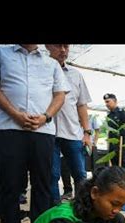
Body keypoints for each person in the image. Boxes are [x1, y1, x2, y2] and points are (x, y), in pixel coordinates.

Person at [0, 44, 69, 223]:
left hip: (42, 130)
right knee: (9, 182)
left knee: (43, 182)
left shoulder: (51, 63)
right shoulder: (1, 52)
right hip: (9, 127)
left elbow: (59, 95)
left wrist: (46, 117)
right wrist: (15, 114)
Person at [46, 44, 92, 206]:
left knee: (80, 174)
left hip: (72, 132)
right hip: (47, 132)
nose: (63, 50)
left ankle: (82, 208)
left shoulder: (76, 75)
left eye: (66, 46)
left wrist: (87, 132)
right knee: (52, 175)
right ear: (47, 46)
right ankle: (55, 210)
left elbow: (81, 105)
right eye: (58, 46)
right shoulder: (42, 69)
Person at [103, 93, 125, 168]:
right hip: (112, 145)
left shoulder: (122, 113)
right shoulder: (109, 115)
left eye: (108, 101)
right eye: (105, 102)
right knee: (114, 165)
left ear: (115, 101)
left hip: (121, 143)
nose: (106, 104)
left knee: (122, 165)